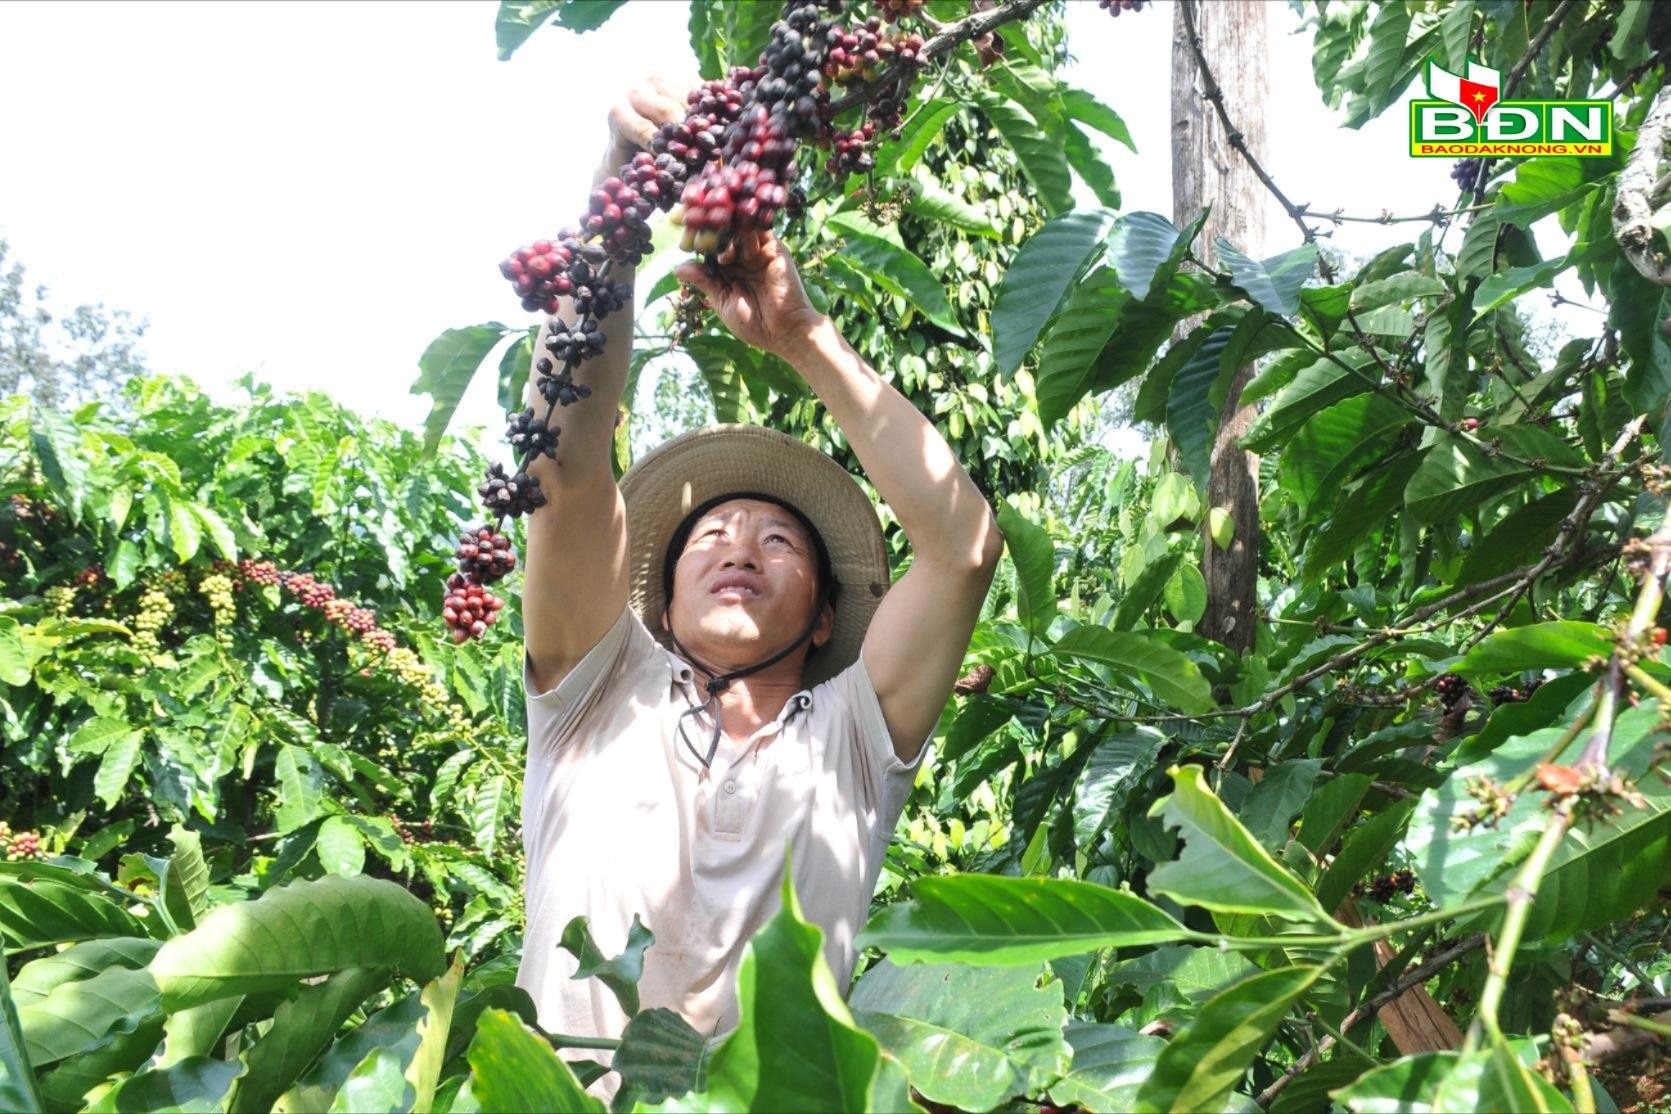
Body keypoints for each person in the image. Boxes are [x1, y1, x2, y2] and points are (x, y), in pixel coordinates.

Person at [515, 76, 1003, 1082]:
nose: (740, 543)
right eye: (712, 533)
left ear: (826, 614)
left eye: (779, 540)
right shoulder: (596, 694)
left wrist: (799, 336)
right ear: (656, 596)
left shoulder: (852, 744)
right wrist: (620, 210)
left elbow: (961, 547)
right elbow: (565, 470)